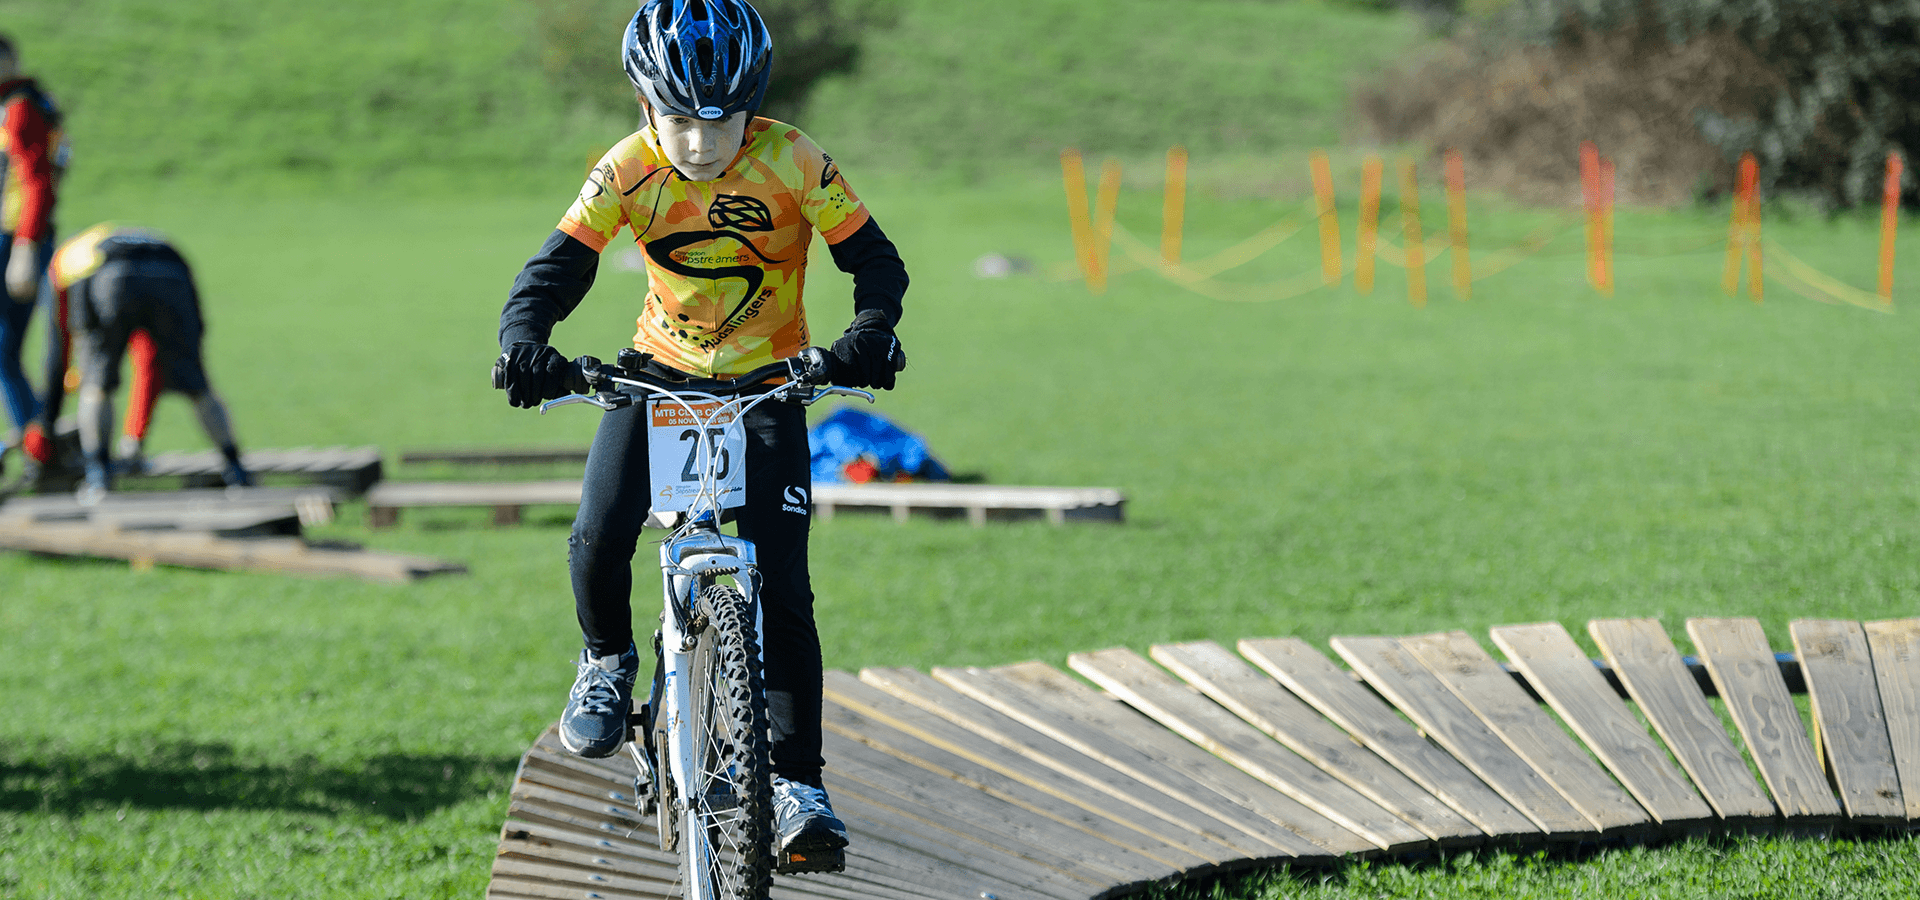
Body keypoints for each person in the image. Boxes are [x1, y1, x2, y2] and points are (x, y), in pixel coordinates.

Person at [493, 0, 907, 875]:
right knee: (598, 537)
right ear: (646, 105)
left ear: (750, 105)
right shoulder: (626, 168)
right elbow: (553, 271)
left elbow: (875, 260)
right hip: (655, 379)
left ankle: (798, 785)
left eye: (720, 118)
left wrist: (870, 327)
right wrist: (523, 343)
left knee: (784, 591)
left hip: (768, 386)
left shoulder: (794, 160)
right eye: (678, 117)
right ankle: (607, 660)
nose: (699, 139)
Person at [32, 223, 250, 501]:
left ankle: (99, 479)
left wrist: (45, 425)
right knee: (198, 385)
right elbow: (151, 362)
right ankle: (237, 471)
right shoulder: (131, 238)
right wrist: (135, 437)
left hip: (107, 274)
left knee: (96, 382)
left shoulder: (63, 263)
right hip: (173, 269)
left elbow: (58, 355)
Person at [0, 33, 64, 478]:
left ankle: (40, 451)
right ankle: (40, 445)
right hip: (20, 235)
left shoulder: (20, 107)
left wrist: (24, 247)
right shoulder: (29, 102)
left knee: (3, 350)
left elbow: (37, 181)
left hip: (15, 237)